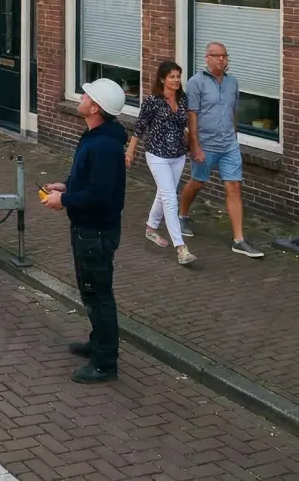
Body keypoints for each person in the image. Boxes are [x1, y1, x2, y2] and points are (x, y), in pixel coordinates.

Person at [41, 77, 127, 383]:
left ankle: (105, 363)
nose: (82, 96)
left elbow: (100, 195)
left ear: (96, 107)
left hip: (95, 232)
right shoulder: (96, 136)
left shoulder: (103, 145)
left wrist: (64, 199)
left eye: (87, 95)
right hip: (88, 229)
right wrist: (67, 186)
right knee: (91, 291)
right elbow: (90, 182)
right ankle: (98, 343)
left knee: (98, 295)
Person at [177, 42, 264, 258]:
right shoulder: (196, 82)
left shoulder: (233, 82)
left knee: (234, 186)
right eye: (217, 56)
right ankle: (182, 215)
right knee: (198, 182)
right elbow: (192, 115)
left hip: (228, 144)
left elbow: (233, 111)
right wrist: (195, 145)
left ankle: (239, 240)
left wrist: (234, 136)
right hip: (205, 143)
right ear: (207, 58)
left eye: (225, 56)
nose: (222, 60)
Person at [125, 61, 197, 266]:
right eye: (172, 76)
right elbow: (139, 127)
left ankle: (151, 227)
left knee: (164, 192)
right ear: (163, 79)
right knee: (170, 197)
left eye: (178, 76)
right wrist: (130, 151)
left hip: (178, 155)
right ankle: (181, 248)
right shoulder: (152, 101)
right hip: (156, 155)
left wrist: (193, 146)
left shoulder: (183, 99)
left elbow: (187, 126)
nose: (176, 80)